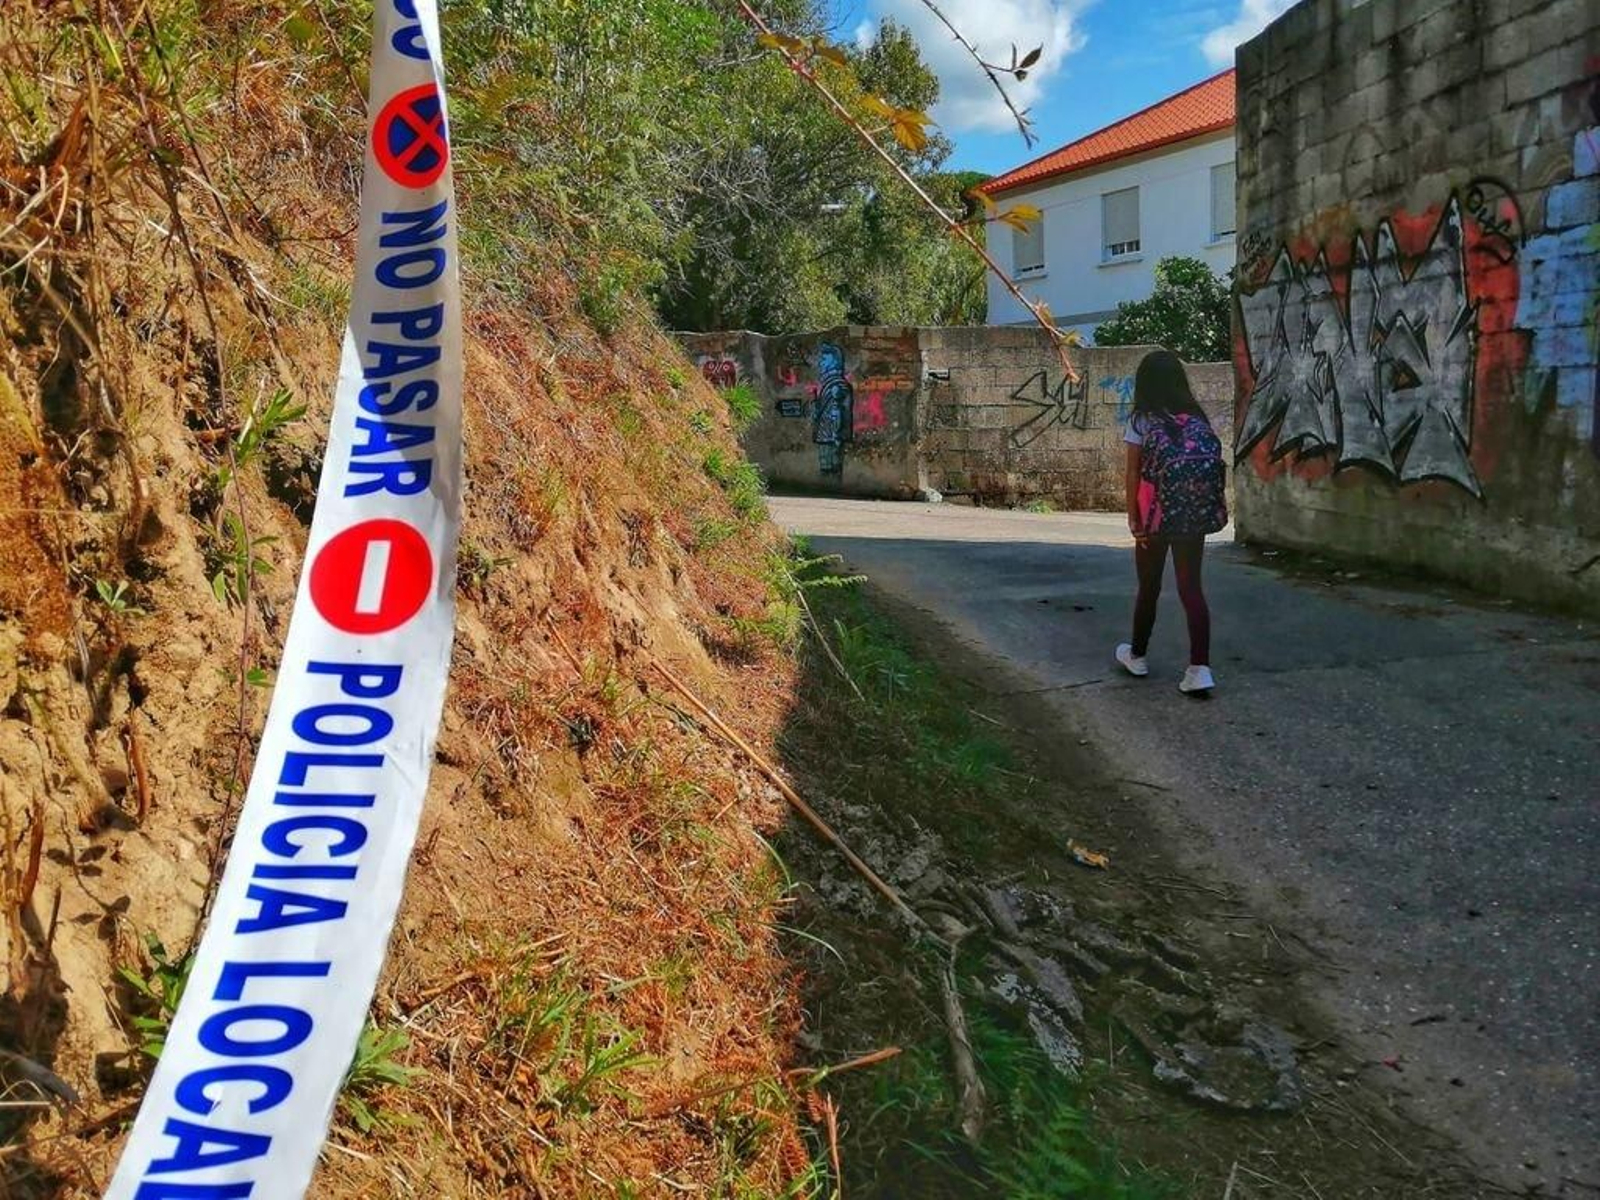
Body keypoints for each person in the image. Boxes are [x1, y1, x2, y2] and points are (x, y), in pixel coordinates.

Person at [1114, 350, 1228, 695]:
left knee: (1149, 586)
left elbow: (1133, 472)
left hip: (1154, 516)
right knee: (1190, 587)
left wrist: (1133, 515)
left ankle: (1137, 655)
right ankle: (1199, 668)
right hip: (1192, 515)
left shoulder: (1141, 421)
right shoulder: (1196, 417)